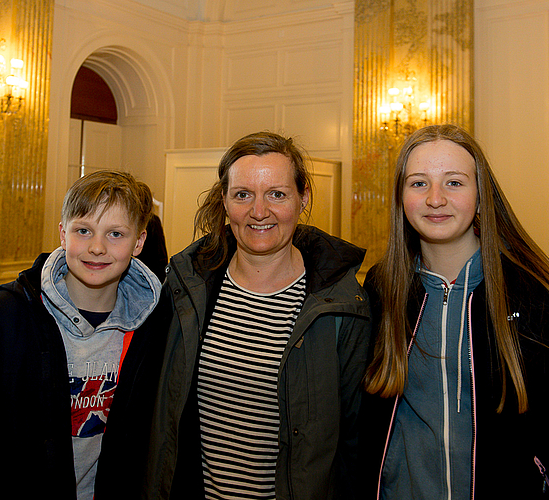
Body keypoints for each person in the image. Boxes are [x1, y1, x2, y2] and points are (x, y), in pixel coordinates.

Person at [95, 131, 371, 499]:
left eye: (277, 193)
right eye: (243, 195)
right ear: (224, 200)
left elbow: (355, 443)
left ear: (302, 198)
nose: (259, 211)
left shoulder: (343, 305)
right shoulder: (184, 290)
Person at [360, 124, 549, 499]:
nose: (436, 199)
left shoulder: (536, 296)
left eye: (454, 183)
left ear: (481, 194)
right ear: (400, 197)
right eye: (419, 183)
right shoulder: (381, 288)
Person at [0, 170, 162, 500]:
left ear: (139, 242)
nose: (96, 247)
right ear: (63, 234)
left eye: (115, 234)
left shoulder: (155, 326)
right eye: (83, 230)